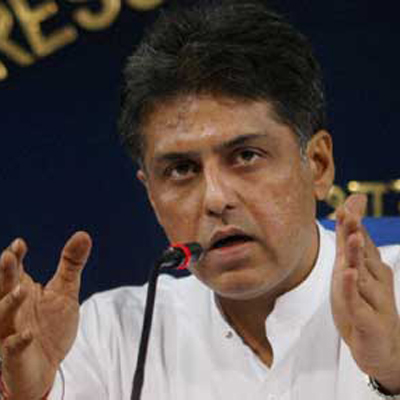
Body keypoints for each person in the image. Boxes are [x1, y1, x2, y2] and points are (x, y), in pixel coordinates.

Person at [1, 1, 400, 399]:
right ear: (151, 195)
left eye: (246, 156)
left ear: (318, 165)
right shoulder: (112, 337)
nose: (216, 199)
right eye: (181, 169)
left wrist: (393, 372)